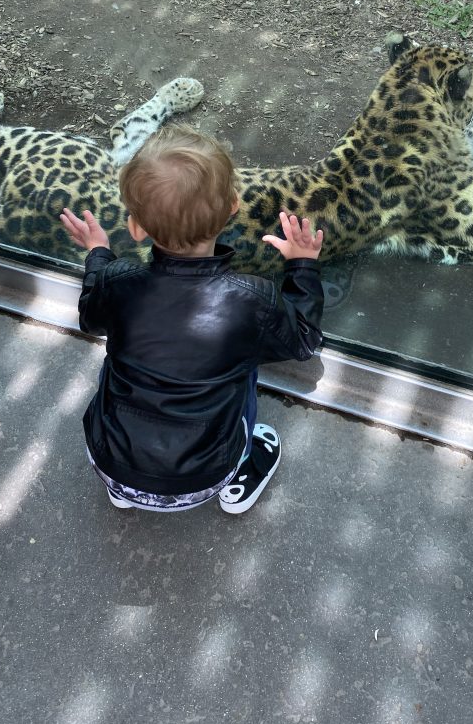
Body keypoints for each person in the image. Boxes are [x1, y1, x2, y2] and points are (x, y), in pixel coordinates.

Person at [60, 123, 324, 515]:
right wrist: (302, 265)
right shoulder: (252, 299)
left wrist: (99, 253)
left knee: (118, 363)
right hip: (203, 478)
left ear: (135, 228)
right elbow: (304, 340)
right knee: (245, 362)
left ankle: (125, 490)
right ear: (233, 207)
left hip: (109, 460)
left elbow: (91, 318)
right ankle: (239, 481)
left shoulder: (118, 282)